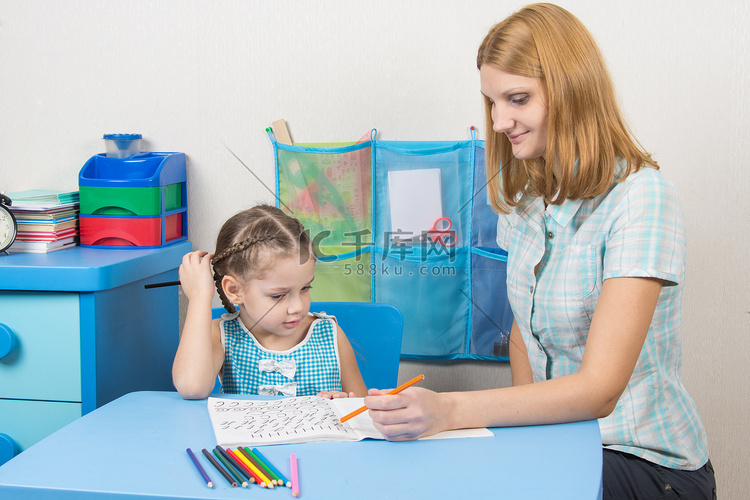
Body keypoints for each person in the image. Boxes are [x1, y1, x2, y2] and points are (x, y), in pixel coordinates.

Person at [364, 4, 716, 499]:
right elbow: (523, 337)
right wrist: (521, 437)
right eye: (491, 101)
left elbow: (599, 390)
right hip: (561, 443)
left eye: (518, 98)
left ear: (572, 91)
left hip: (644, 462)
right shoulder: (529, 203)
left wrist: (451, 410)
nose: (499, 119)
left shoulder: (643, 198)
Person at [172, 204, 367, 401]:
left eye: (305, 288)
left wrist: (344, 405)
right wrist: (199, 297)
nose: (298, 307)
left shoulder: (329, 334)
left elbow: (362, 412)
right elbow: (192, 387)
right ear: (234, 290)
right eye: (278, 296)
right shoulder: (221, 335)